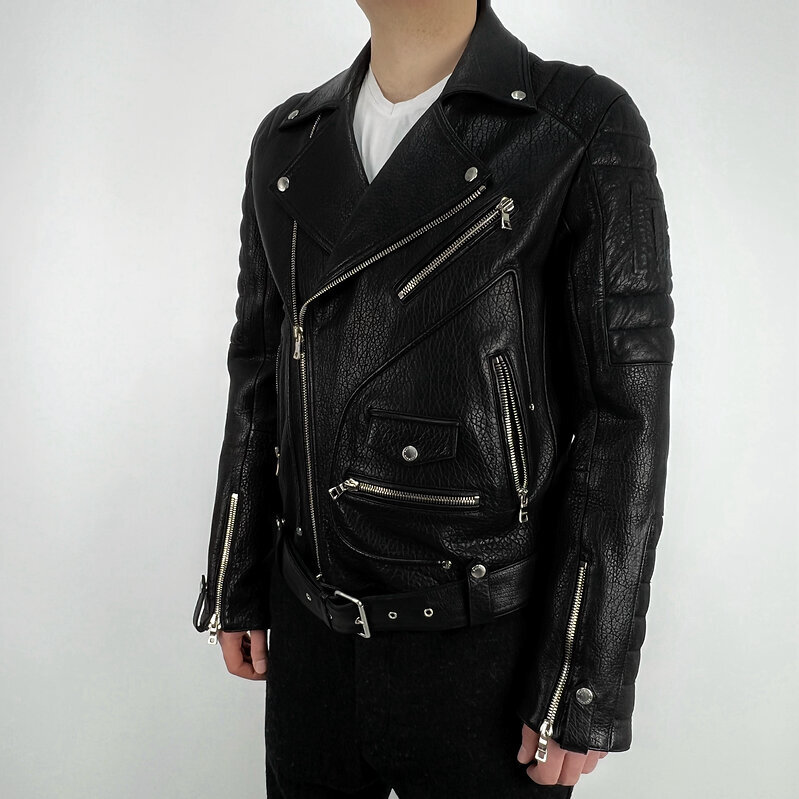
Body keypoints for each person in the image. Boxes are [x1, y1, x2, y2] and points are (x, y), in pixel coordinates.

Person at [191, 0, 673, 796]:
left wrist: (582, 676)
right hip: (310, 635)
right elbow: (258, 367)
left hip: (483, 649)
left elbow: (625, 418)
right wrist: (234, 573)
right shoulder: (288, 140)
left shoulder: (574, 125)